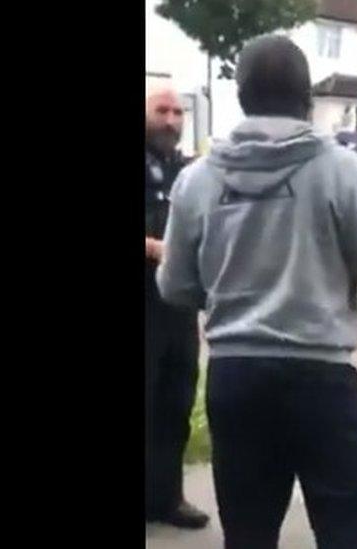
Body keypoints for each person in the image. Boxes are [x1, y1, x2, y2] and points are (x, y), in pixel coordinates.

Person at [156, 35, 357, 549]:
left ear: (242, 96)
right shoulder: (343, 171)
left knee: (247, 535)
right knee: (351, 532)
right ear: (305, 96)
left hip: (237, 379)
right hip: (321, 378)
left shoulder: (197, 180)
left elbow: (175, 287)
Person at [144, 83, 210, 529]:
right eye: (161, 110)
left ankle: (165, 498)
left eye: (178, 112)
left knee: (175, 403)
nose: (171, 120)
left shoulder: (184, 170)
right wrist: (158, 249)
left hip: (177, 307)